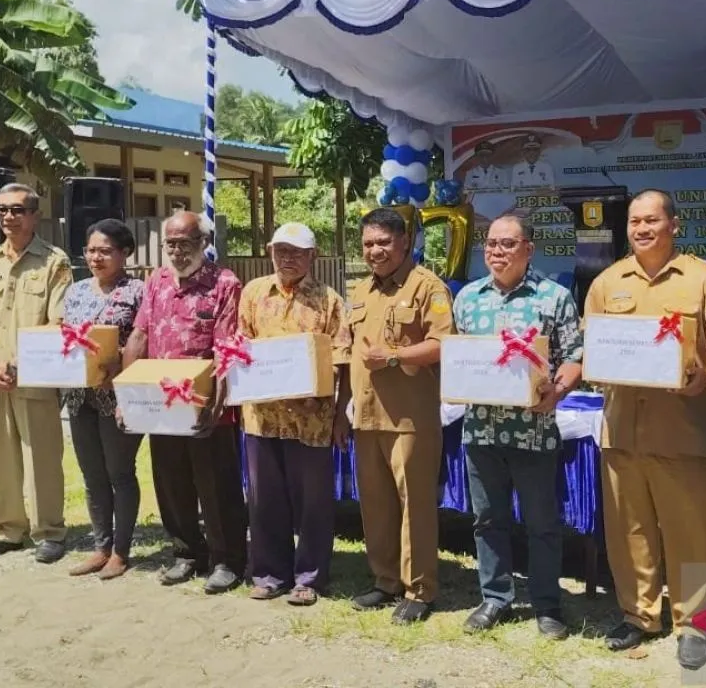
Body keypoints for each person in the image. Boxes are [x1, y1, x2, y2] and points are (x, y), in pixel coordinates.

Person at [584, 190, 706, 666]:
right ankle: (638, 615)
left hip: (683, 428)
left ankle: (693, 623)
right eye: (634, 222)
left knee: (690, 531)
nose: (642, 229)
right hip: (623, 428)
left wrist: (700, 379)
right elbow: (594, 350)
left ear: (674, 225)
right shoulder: (606, 283)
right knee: (630, 530)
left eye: (652, 221)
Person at [453, 213, 583, 640]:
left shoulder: (555, 297)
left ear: (529, 248)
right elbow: (460, 358)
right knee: (488, 520)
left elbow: (574, 357)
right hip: (481, 432)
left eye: (508, 244)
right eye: (491, 243)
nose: (497, 251)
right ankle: (495, 597)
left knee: (542, 523)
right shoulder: (467, 298)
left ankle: (547, 605)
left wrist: (558, 391)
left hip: (533, 431)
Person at [123, 211, 247, 594]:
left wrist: (218, 402)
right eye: (171, 243)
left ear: (204, 243)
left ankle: (227, 559)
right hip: (160, 404)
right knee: (171, 481)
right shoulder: (156, 282)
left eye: (185, 243)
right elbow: (140, 336)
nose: (177, 251)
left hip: (205, 402)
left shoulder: (224, 283)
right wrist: (125, 394)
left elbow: (228, 346)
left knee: (216, 484)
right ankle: (187, 552)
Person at [339, 208, 453, 624]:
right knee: (375, 504)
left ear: (405, 242)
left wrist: (393, 356)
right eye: (369, 243)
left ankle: (419, 589)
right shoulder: (360, 291)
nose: (375, 251)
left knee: (414, 505)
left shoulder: (428, 288)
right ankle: (385, 580)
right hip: (367, 416)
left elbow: (443, 343)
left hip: (410, 418)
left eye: (384, 242)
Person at [238, 222, 351, 606]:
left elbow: (344, 361)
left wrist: (340, 416)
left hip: (312, 421)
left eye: (297, 252)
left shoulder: (329, 301)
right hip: (262, 418)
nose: (288, 259)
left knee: (313, 503)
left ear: (312, 256)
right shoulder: (252, 294)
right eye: (281, 251)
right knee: (264, 499)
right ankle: (270, 574)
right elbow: (240, 348)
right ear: (270, 251)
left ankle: (310, 578)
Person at [0, 184, 73, 563]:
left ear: (35, 216)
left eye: (17, 210)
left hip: (34, 378)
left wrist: (18, 365)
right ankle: (8, 529)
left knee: (41, 456)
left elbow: (59, 322)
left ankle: (50, 533)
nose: (9, 217)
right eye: (2, 211)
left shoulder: (54, 262)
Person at [62, 220, 145, 580]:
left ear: (125, 253)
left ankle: (122, 551)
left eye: (105, 250)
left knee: (120, 473)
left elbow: (146, 343)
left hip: (118, 397)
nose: (96, 257)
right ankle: (101, 546)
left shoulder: (138, 292)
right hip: (79, 397)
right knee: (91, 474)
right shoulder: (76, 291)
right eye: (91, 250)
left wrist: (120, 356)